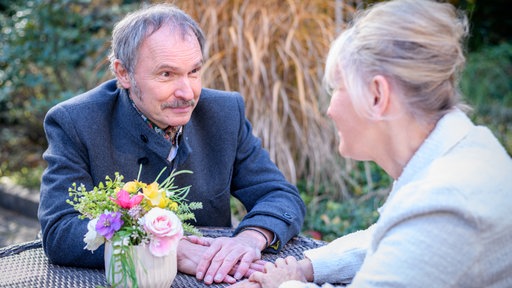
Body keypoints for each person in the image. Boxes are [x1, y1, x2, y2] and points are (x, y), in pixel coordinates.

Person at [230, 0, 512, 287]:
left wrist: (282, 284)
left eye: (339, 88)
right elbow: (391, 242)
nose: (330, 109)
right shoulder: (463, 153)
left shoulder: (447, 200)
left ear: (377, 95)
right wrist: (305, 269)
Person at [38, 3, 306, 285]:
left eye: (193, 71)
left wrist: (250, 238)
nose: (186, 92)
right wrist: (167, 249)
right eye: (166, 74)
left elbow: (280, 195)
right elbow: (60, 231)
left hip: (211, 281)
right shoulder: (76, 122)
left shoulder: (225, 114)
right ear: (123, 73)